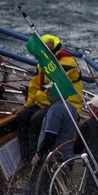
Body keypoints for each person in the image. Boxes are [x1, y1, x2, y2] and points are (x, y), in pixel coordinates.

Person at [17, 33, 84, 163]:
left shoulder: (67, 63)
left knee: (37, 119)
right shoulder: (43, 63)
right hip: (47, 102)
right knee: (23, 116)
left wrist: (39, 96)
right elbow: (34, 86)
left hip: (66, 104)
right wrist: (26, 105)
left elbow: (54, 86)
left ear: (53, 46)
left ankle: (39, 157)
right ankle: (26, 158)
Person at [23, 88, 79, 195]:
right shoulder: (71, 107)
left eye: (50, 90)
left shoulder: (55, 110)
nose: (47, 93)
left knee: (31, 192)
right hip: (66, 158)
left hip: (51, 161)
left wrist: (38, 155)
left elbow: (50, 137)